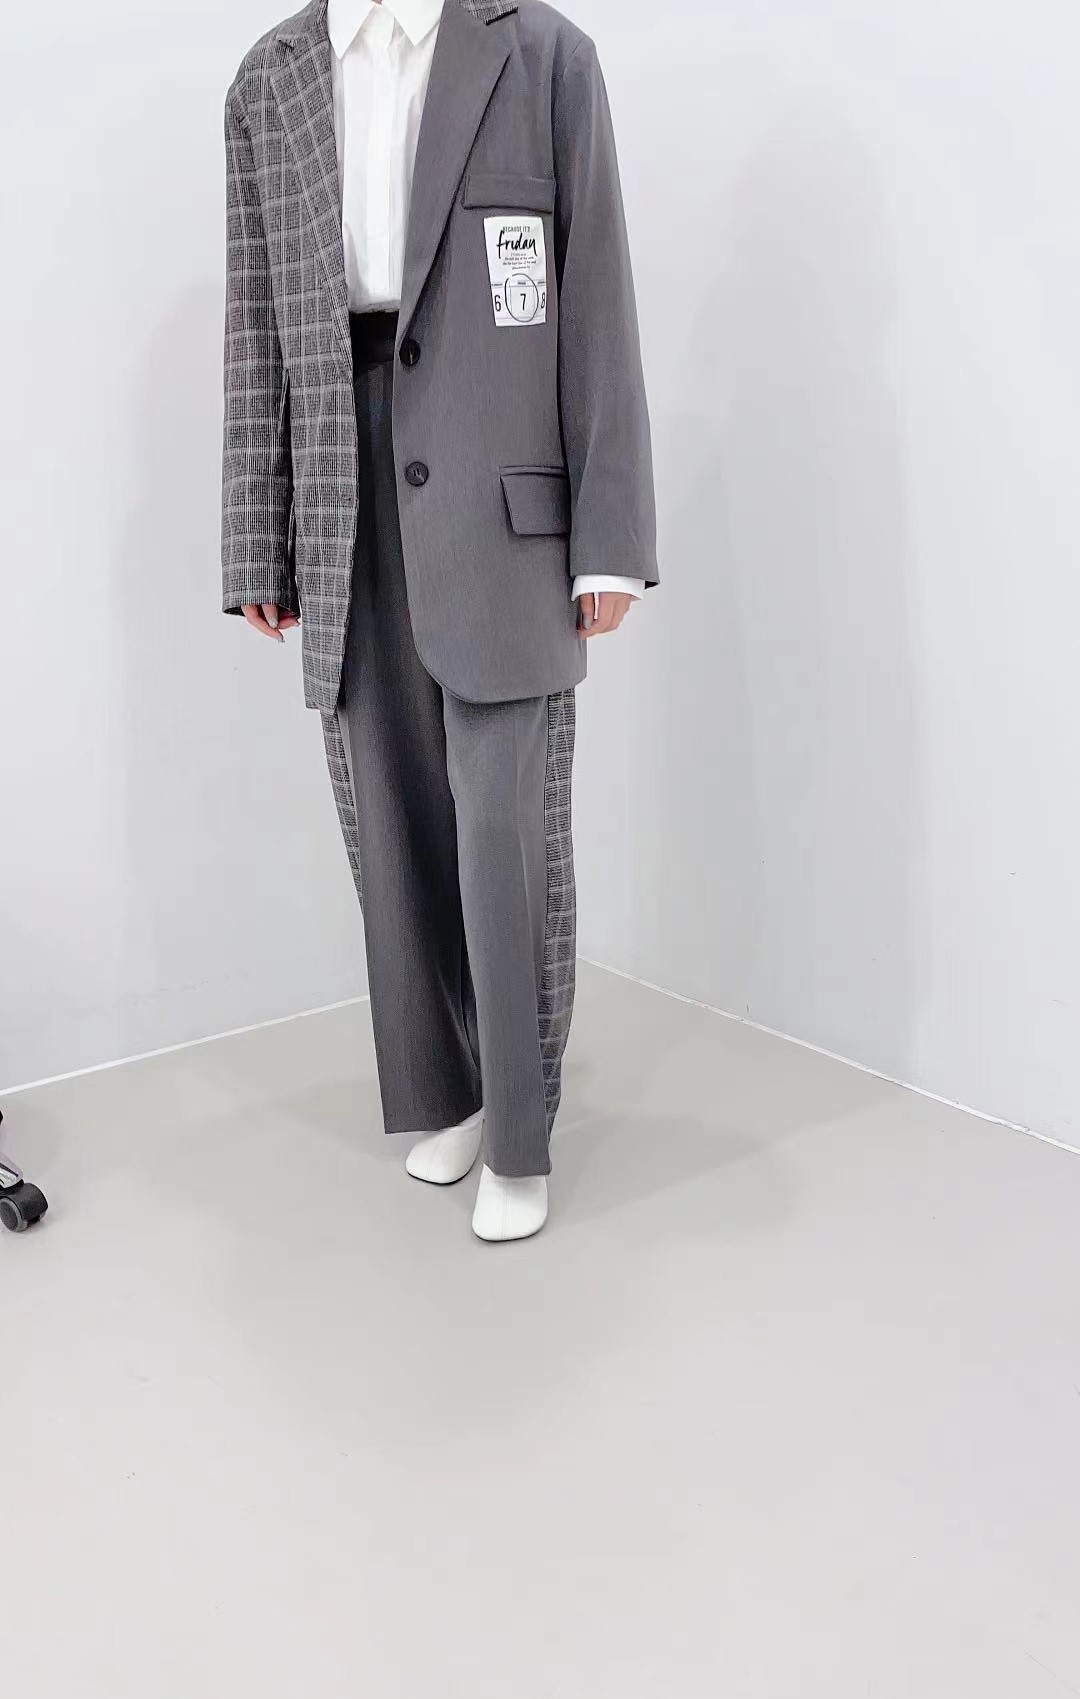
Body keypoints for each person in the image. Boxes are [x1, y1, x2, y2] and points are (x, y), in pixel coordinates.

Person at [221, 0, 658, 1243]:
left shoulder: (545, 57)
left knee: (505, 827)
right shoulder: (269, 79)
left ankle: (521, 1128)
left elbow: (596, 294)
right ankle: (452, 1091)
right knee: (391, 815)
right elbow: (255, 319)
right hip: (339, 488)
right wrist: (257, 533)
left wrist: (611, 539)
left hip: (503, 494)